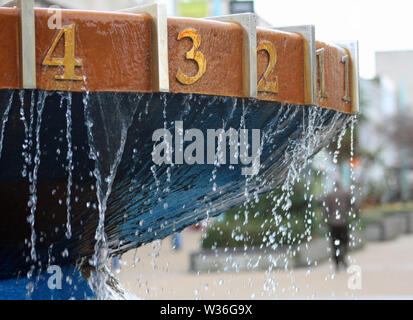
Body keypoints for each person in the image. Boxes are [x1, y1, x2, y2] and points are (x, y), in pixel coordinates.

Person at [321, 183, 352, 271]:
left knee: (334, 243)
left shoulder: (330, 195)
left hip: (333, 223)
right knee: (345, 241)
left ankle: (337, 262)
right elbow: (353, 205)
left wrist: (324, 219)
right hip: (343, 222)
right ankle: (342, 257)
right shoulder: (345, 194)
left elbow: (325, 209)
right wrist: (355, 214)